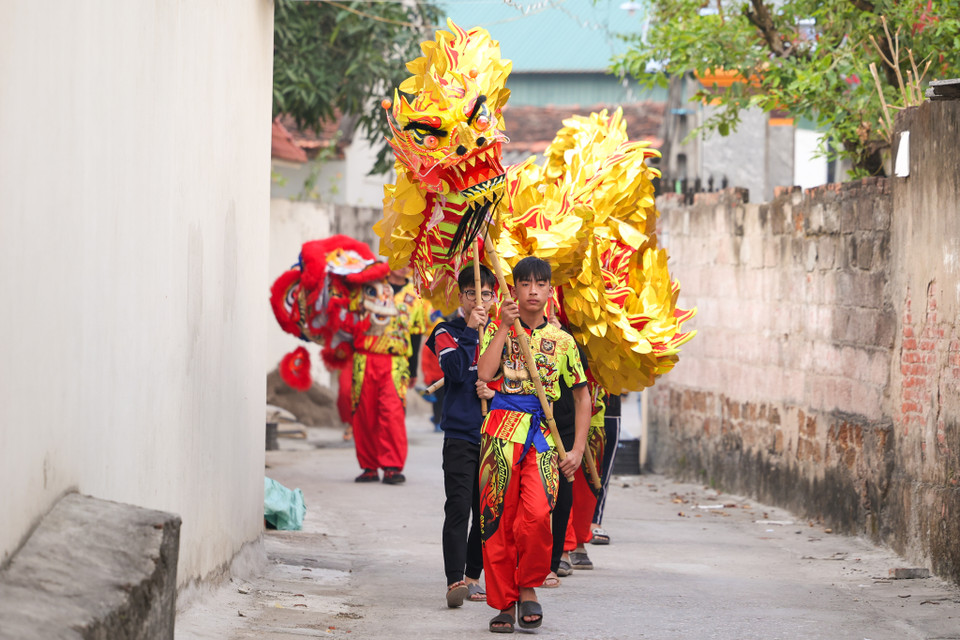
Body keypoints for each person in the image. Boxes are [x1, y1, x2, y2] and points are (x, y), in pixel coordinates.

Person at [477, 256, 590, 633]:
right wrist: (502, 327)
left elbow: (582, 395)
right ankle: (505, 602)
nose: (533, 291)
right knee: (497, 519)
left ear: (550, 291)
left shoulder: (563, 341)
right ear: (514, 289)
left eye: (540, 284)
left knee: (538, 514)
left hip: (542, 437)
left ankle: (528, 585)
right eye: (525, 284)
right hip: (499, 432)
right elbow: (484, 373)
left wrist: (576, 450)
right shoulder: (499, 328)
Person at [425, 264, 497, 608]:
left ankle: (472, 576)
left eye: (485, 294)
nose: (478, 300)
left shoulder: (501, 334)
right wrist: (469, 331)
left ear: (494, 297)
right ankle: (454, 579)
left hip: (494, 435)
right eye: (471, 293)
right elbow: (453, 371)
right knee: (458, 507)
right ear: (461, 296)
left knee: (486, 511)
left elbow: (517, 380)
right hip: (459, 435)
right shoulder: (446, 331)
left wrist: (494, 392)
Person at [350, 267, 425, 485]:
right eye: (398, 257)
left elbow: (416, 334)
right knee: (365, 412)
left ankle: (392, 466)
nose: (404, 264)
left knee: (392, 413)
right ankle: (369, 466)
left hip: (396, 362)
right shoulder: (369, 286)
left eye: (408, 259)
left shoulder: (415, 296)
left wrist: (413, 369)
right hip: (364, 358)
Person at [590, 393, 622, 544]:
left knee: (603, 470)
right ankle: (570, 524)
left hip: (609, 407)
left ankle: (595, 520)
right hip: (575, 401)